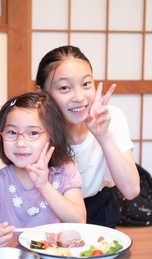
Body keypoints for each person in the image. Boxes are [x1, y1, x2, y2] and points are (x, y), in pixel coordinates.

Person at [0, 92, 86, 249]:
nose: (20, 143)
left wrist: (44, 186)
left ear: (52, 136)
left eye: (33, 133)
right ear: (1, 135)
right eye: (12, 132)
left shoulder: (64, 171)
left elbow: (79, 221)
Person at [35, 45, 140, 228]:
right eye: (65, 87)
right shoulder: (34, 129)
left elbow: (131, 190)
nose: (79, 97)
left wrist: (104, 136)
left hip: (99, 210)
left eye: (86, 84)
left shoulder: (111, 118)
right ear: (41, 93)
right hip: (50, 211)